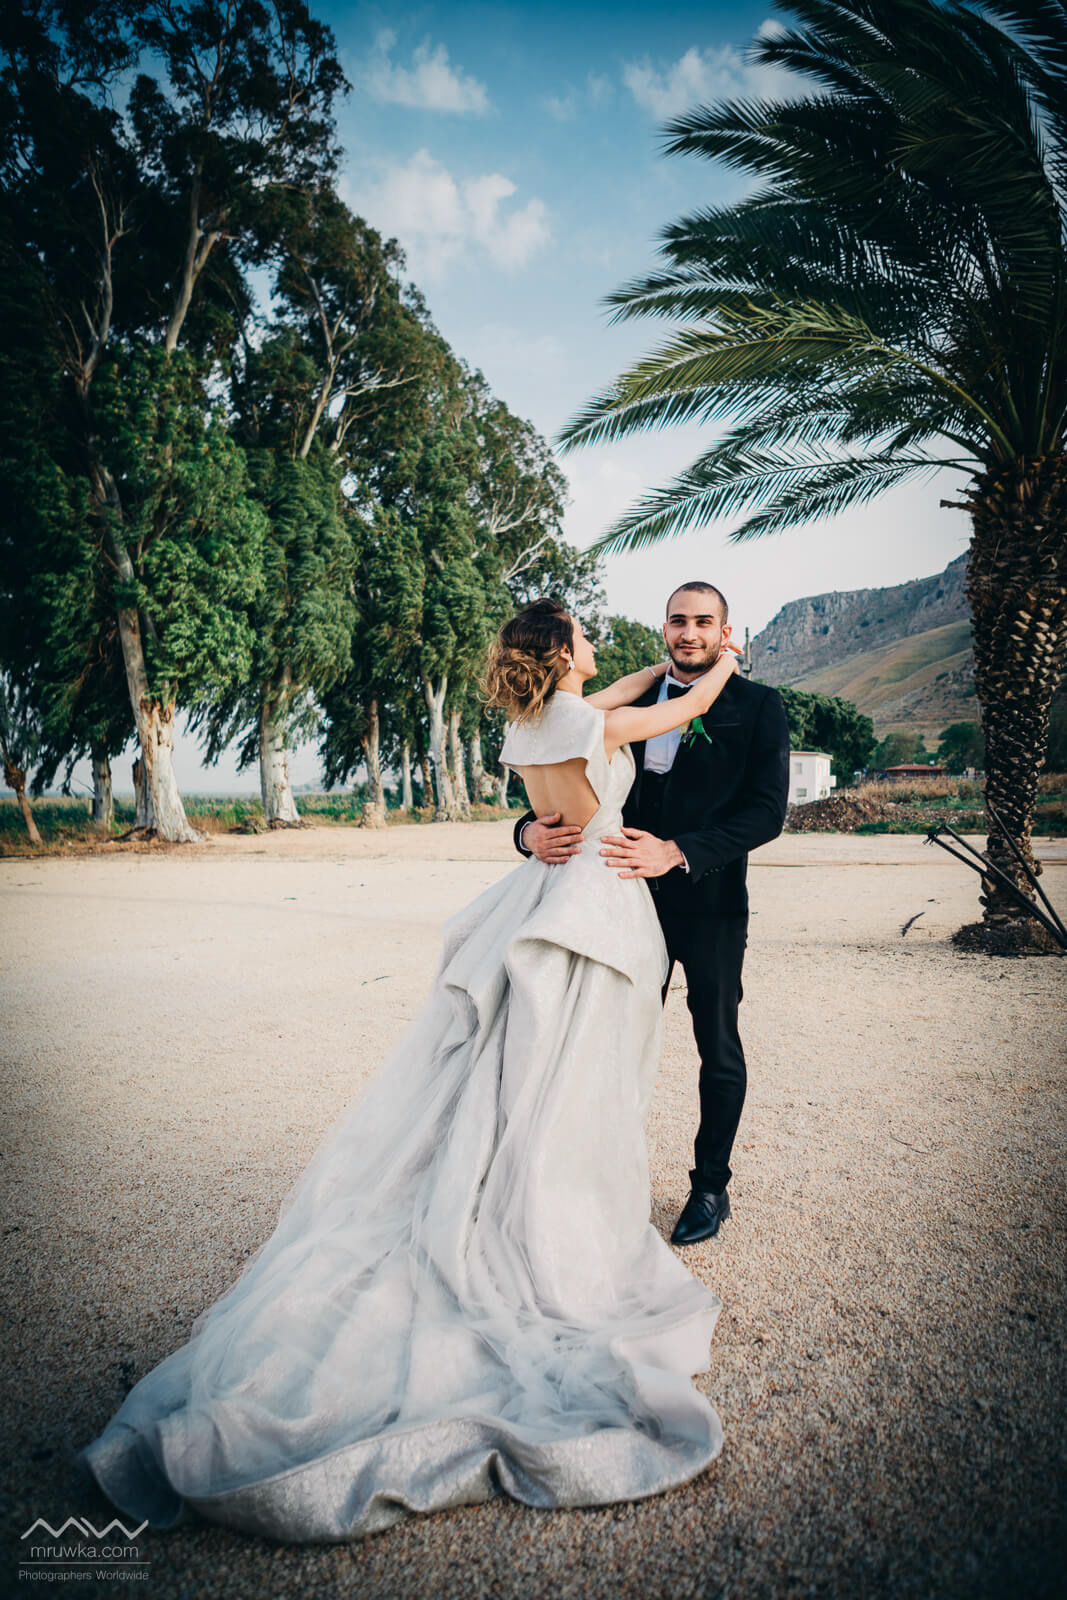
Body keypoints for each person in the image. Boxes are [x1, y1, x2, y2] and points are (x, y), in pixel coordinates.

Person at [75, 598, 740, 1545]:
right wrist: (723, 663)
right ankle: (549, 1208)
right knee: (574, 1073)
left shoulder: (533, 722)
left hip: (542, 891)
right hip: (594, 898)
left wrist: (655, 679)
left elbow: (628, 692)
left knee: (513, 1065)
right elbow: (676, 707)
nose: (602, 645)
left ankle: (507, 1178)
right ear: (562, 651)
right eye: (584, 634)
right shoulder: (587, 722)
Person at [514, 583, 790, 1246]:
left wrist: (677, 851)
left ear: (724, 632)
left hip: (711, 902)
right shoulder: (620, 702)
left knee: (717, 1045)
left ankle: (710, 1187)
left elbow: (765, 814)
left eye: (703, 622)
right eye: (678, 620)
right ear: (663, 628)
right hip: (616, 902)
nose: (689, 632)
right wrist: (526, 833)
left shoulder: (758, 705)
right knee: (600, 1042)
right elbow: (555, 781)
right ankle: (594, 1181)